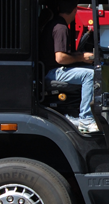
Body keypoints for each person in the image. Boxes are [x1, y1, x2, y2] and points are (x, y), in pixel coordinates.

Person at [39, 0, 98, 133]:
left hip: (50, 70)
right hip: (52, 72)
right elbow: (60, 57)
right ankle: (86, 119)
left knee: (91, 71)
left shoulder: (55, 24)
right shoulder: (61, 27)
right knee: (91, 75)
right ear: (74, 10)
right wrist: (82, 57)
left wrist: (80, 56)